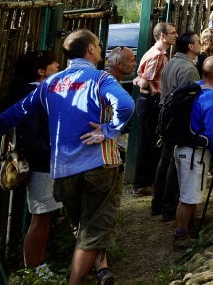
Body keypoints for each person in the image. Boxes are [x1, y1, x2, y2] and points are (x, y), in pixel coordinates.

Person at [0, 29, 134, 285]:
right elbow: (126, 105)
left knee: (84, 228)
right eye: (98, 44)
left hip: (62, 171)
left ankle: (99, 271)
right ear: (91, 50)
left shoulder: (49, 84)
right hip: (99, 164)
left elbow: (15, 114)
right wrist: (108, 130)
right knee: (93, 230)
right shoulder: (100, 78)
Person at [7, 50, 61, 270]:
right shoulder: (32, 95)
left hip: (44, 163)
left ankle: (39, 266)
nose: (57, 65)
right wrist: (53, 155)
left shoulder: (34, 91)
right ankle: (33, 269)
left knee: (44, 219)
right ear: (41, 71)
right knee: (40, 220)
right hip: (41, 166)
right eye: (52, 63)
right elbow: (28, 139)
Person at [172, 56, 213, 250]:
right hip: (195, 152)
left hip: (182, 148)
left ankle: (191, 222)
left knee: (190, 191)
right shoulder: (212, 97)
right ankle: (181, 235)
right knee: (188, 196)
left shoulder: (194, 87)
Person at [151, 32, 200, 222]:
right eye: (198, 42)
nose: (200, 45)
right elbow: (188, 101)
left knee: (165, 161)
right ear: (190, 47)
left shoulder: (171, 62)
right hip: (178, 120)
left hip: (167, 117)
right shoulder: (188, 69)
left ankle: (158, 204)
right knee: (174, 164)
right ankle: (169, 209)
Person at [132, 21, 177, 196]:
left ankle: (141, 184)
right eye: (173, 33)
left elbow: (140, 77)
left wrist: (138, 80)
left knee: (144, 144)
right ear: (162, 36)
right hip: (151, 102)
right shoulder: (158, 55)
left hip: (146, 101)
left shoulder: (153, 52)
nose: (176, 35)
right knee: (156, 144)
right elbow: (143, 81)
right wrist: (138, 81)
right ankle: (154, 182)